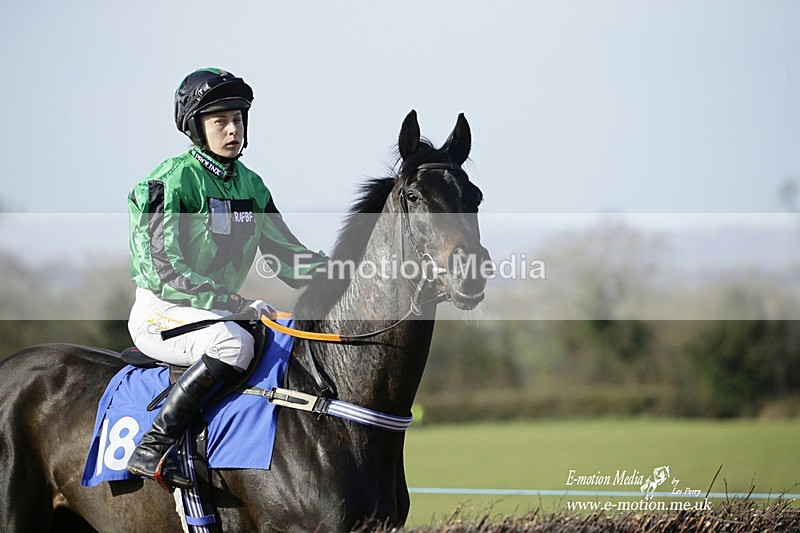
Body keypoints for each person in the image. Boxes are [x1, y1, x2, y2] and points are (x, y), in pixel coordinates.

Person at [125, 67, 326, 489]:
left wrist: (348, 271)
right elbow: (161, 269)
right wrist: (234, 304)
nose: (232, 129)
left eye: (238, 119)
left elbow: (289, 258)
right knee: (233, 343)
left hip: (219, 311)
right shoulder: (169, 180)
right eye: (220, 121)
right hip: (163, 312)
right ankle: (154, 445)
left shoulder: (252, 185)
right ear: (197, 128)